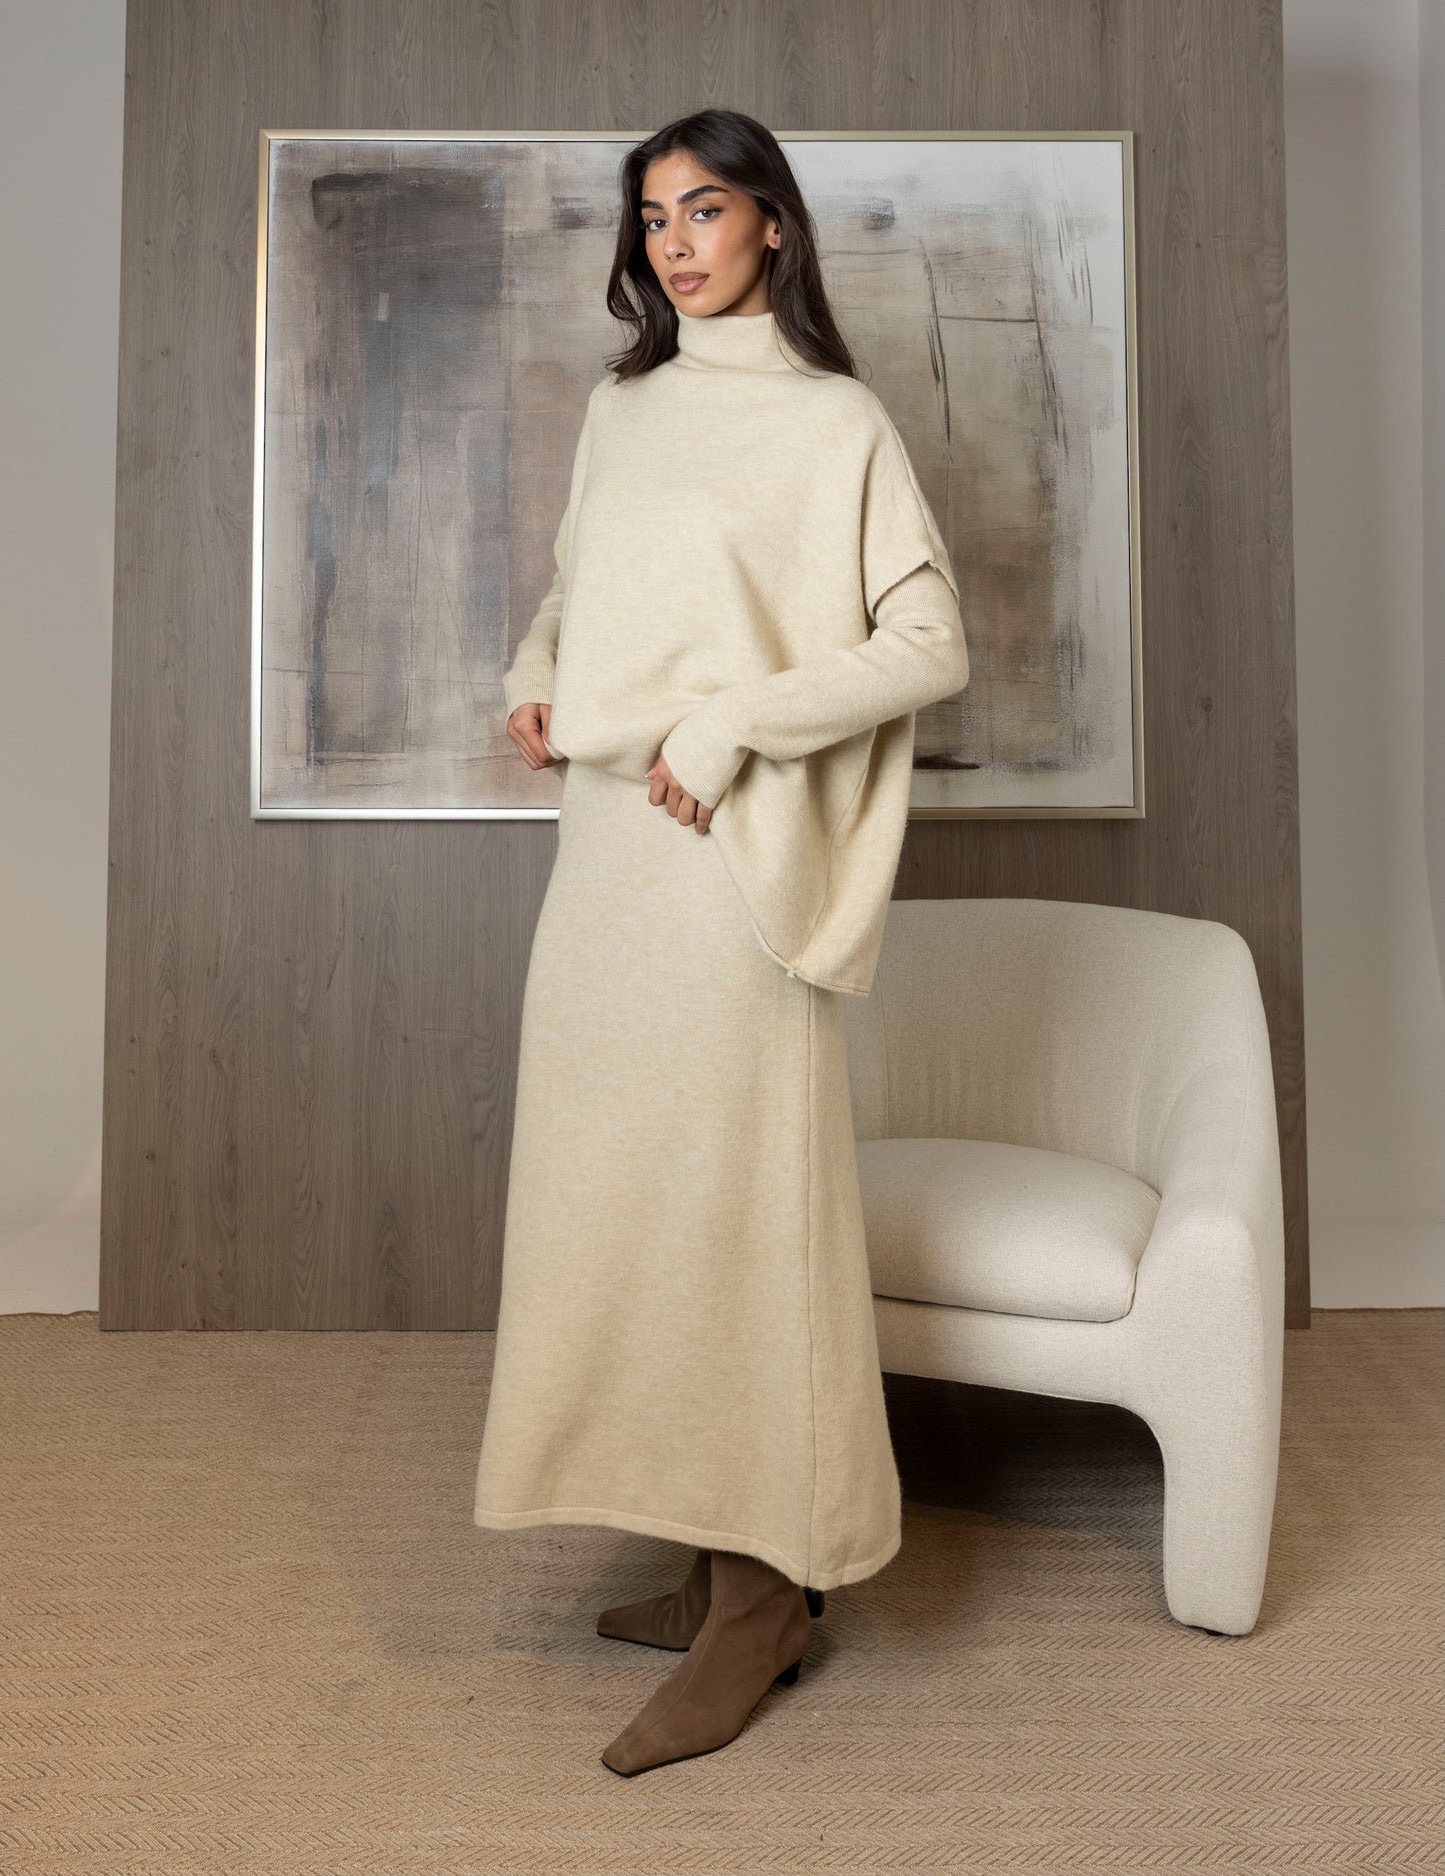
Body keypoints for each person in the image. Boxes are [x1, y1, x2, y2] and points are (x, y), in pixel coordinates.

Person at [473, 107, 969, 1776]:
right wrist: (537, 678)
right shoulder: (625, 410)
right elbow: (578, 592)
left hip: (731, 863)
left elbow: (929, 643)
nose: (676, 242)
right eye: (652, 217)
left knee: (737, 1221)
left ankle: (766, 1598)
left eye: (704, 208)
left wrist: (731, 723)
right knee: (627, 1209)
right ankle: (711, 1556)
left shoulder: (836, 422)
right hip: (608, 859)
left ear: (772, 222)